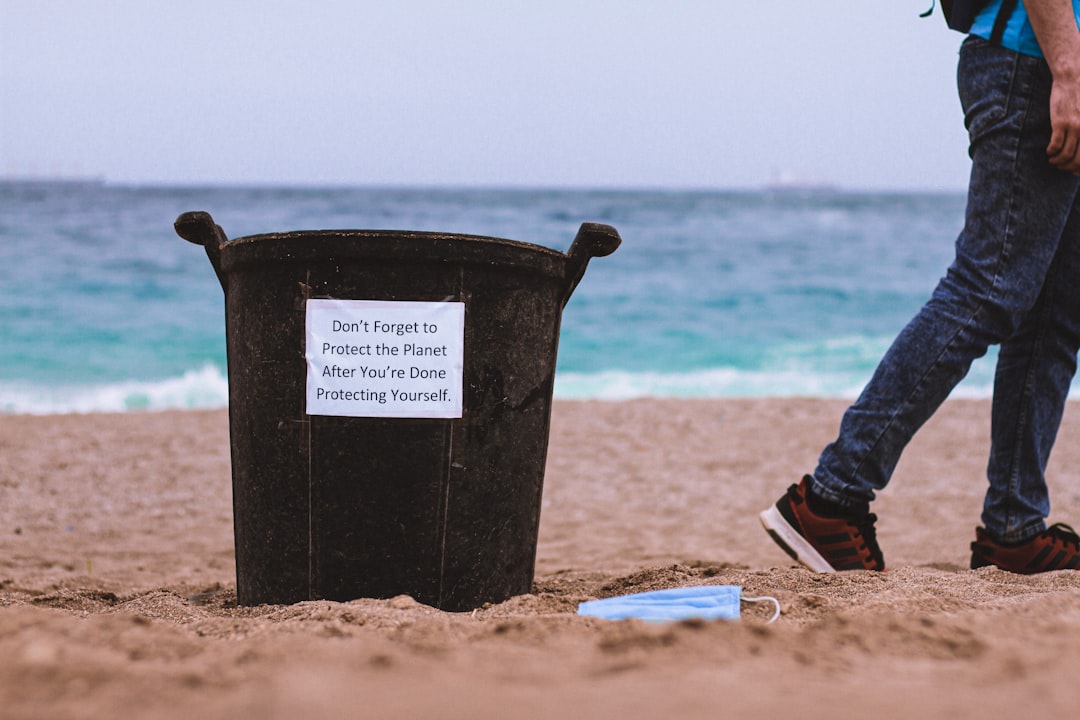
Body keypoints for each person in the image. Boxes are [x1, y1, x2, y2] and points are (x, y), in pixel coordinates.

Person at [760, 0, 1080, 574]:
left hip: (1053, 71)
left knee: (1055, 315)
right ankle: (831, 498)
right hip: (1032, 67)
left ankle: (1014, 528)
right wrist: (1068, 71)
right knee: (989, 289)